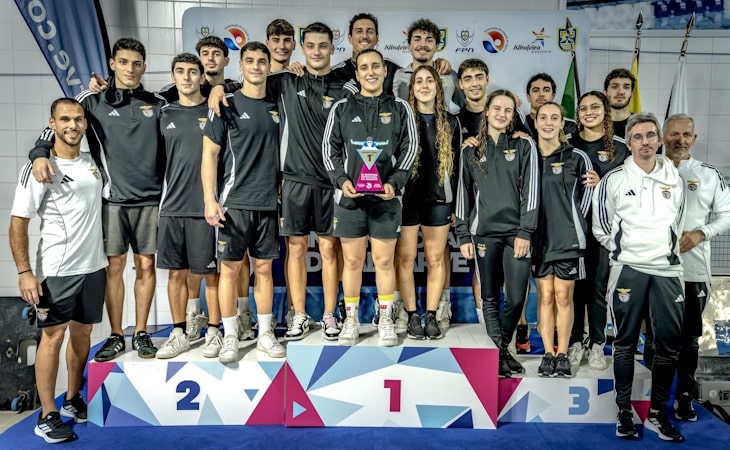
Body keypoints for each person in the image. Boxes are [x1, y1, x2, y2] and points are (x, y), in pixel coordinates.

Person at [29, 38, 165, 361]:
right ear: (112, 64)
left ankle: (141, 332)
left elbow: (195, 95)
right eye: (123, 62)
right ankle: (117, 335)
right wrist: (39, 153)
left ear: (144, 67)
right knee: (114, 267)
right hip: (112, 200)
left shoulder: (158, 103)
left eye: (136, 64)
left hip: (150, 201)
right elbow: (56, 126)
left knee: (146, 265)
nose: (130, 69)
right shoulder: (91, 100)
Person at [10, 98, 106, 443]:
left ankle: (72, 399)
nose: (72, 125)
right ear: (52, 123)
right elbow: (18, 222)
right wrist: (25, 272)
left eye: (78, 119)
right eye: (65, 119)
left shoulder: (92, 162)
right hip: (58, 269)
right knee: (53, 337)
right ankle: (47, 414)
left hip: (95, 266)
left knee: (83, 334)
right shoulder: (39, 167)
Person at [593, 112, 686, 441]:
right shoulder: (614, 180)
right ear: (629, 143)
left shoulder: (674, 176)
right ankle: (623, 413)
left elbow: (678, 221)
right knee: (624, 343)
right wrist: (625, 251)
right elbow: (601, 227)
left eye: (650, 136)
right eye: (637, 137)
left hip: (668, 271)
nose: (644, 142)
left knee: (668, 347)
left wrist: (661, 250)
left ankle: (658, 413)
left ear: (659, 141)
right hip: (628, 270)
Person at [323, 48, 417, 346]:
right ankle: (351, 320)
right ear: (357, 73)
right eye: (364, 67)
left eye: (376, 66)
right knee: (351, 262)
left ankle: (386, 318)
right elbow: (329, 150)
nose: (371, 72)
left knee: (384, 261)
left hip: (386, 200)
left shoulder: (400, 107)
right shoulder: (342, 107)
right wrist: (341, 180)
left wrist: (395, 183)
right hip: (350, 200)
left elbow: (410, 149)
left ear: (385, 70)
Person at [202, 41, 284, 362]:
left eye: (262, 61)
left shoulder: (277, 106)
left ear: (269, 66)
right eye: (249, 61)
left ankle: (264, 335)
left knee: (263, 270)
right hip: (233, 203)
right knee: (230, 271)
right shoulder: (227, 103)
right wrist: (209, 199)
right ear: (240, 65)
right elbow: (209, 155)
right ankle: (230, 336)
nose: (256, 66)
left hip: (268, 203)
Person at [455, 90, 538, 377]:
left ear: (513, 115)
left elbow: (531, 192)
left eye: (508, 110)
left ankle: (500, 349)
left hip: (517, 235)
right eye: (497, 108)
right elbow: (463, 194)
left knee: (516, 297)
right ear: (487, 112)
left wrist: (525, 231)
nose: (502, 114)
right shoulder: (470, 149)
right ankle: (499, 356)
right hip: (483, 234)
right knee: (489, 297)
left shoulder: (524, 145)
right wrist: (463, 234)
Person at [662, 114, 730, 421]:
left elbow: (727, 215)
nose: (680, 140)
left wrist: (701, 233)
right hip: (655, 270)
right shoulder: (649, 168)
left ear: (694, 138)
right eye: (674, 134)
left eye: (686, 135)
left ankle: (684, 398)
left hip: (693, 270)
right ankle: (653, 400)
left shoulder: (708, 174)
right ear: (663, 136)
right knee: (656, 338)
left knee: (688, 339)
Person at [154, 54, 222, 359]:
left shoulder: (215, 111)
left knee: (212, 275)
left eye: (192, 72)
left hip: (206, 208)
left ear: (201, 77)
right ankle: (179, 332)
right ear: (173, 76)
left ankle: (215, 331)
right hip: (172, 207)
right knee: (176, 274)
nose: (186, 77)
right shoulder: (163, 113)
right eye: (180, 72)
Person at [397, 65, 461, 340]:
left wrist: (457, 205)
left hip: (439, 200)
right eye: (419, 81)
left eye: (429, 81)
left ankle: (431, 314)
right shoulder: (402, 118)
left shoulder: (452, 122)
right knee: (406, 258)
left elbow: (458, 169)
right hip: (407, 200)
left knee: (436, 259)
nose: (424, 85)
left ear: (438, 87)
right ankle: (412, 314)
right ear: (412, 88)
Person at [567, 91, 630, 371]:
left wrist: (603, 181)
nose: (588, 112)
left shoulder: (620, 147)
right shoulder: (567, 143)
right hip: (570, 229)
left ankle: (596, 344)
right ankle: (574, 342)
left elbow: (632, 188)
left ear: (606, 111)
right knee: (574, 288)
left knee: (597, 288)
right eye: (583, 108)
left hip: (603, 232)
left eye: (594, 107)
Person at [532, 102, 594, 378]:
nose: (548, 122)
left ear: (561, 123)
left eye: (554, 118)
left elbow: (588, 194)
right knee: (545, 297)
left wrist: (573, 223)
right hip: (538, 241)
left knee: (563, 297)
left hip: (568, 240)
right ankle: (548, 354)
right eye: (543, 117)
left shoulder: (576, 156)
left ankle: (563, 353)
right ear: (535, 122)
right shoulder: (528, 154)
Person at [333, 13, 451, 97]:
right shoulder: (336, 73)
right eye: (359, 31)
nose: (364, 36)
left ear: (377, 38)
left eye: (370, 31)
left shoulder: (392, 68)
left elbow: (418, 73)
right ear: (350, 38)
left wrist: (437, 62)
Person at [393, 18, 464, 114]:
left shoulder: (449, 75)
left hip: (443, 123)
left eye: (429, 40)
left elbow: (467, 106)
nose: (423, 44)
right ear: (409, 45)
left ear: (437, 46)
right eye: (417, 39)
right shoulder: (397, 75)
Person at [518, 73, 578, 139]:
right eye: (536, 90)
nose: (541, 94)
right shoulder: (520, 125)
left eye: (546, 90)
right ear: (528, 97)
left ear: (553, 96)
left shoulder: (569, 126)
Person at [457, 58, 489, 138]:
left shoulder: (504, 113)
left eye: (479, 78)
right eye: (468, 79)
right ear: (460, 84)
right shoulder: (455, 119)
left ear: (487, 80)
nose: (474, 84)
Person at [603, 68, 635, 140]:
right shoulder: (594, 124)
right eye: (614, 87)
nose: (620, 92)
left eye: (626, 87)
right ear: (604, 93)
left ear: (632, 94)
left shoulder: (641, 124)